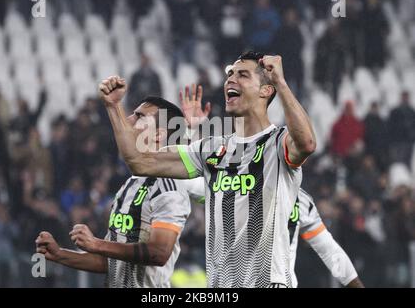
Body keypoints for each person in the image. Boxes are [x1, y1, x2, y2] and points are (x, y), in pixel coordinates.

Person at [98, 51, 316, 287]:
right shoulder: (211, 150)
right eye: (230, 74)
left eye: (242, 74)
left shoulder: (278, 142)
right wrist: (114, 107)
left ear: (265, 89)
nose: (230, 79)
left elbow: (307, 144)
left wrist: (281, 83)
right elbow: (139, 161)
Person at [178, 85, 363, 288]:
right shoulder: (227, 186)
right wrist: (192, 133)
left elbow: (330, 251)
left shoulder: (300, 202)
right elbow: (186, 180)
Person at [36, 97, 191, 288]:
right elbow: (110, 261)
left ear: (158, 135)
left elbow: (159, 252)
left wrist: (97, 244)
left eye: (139, 116)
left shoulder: (168, 185)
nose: (128, 119)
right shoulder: (130, 185)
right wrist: (60, 254)